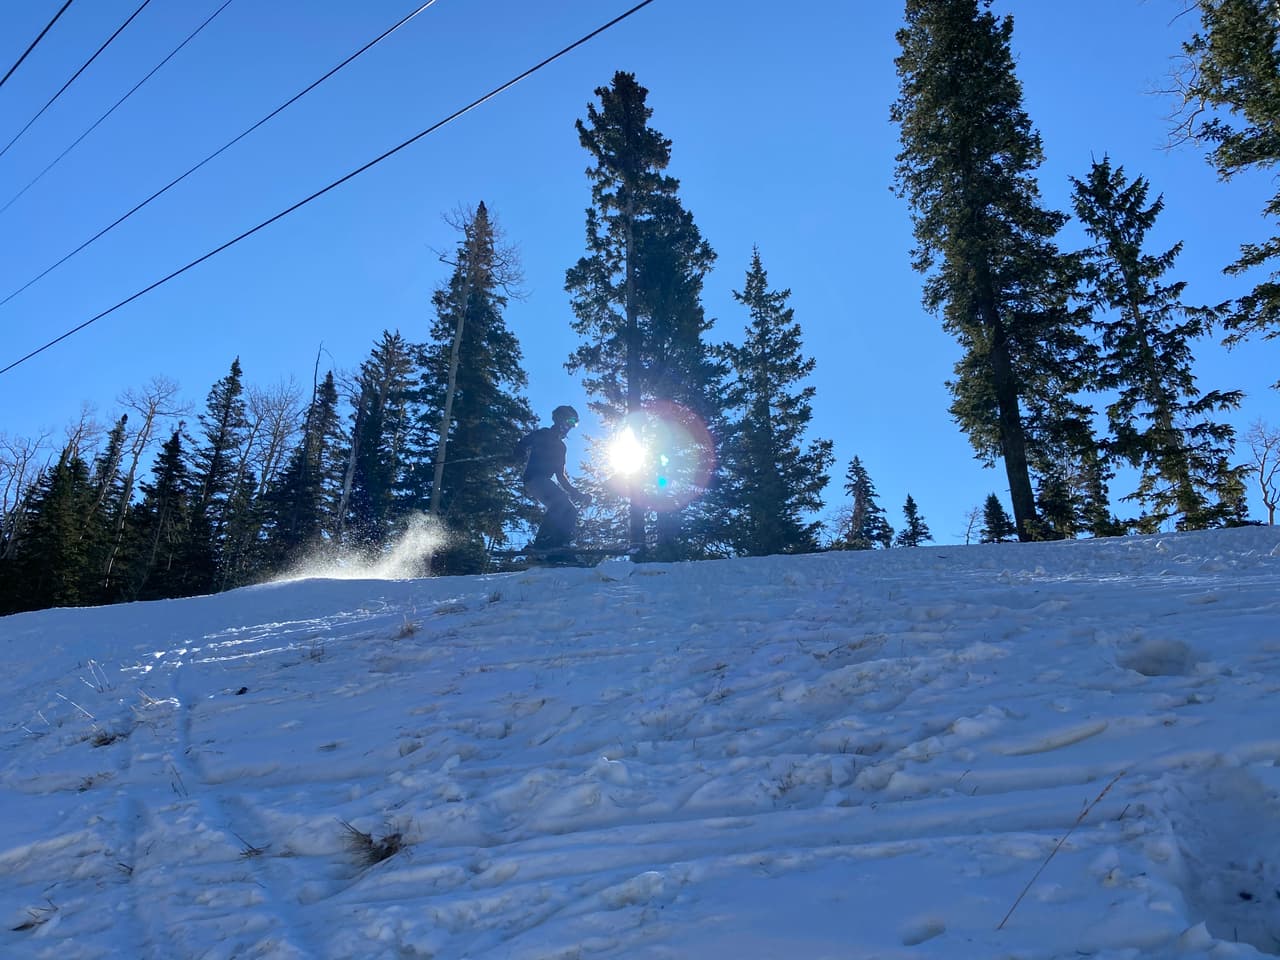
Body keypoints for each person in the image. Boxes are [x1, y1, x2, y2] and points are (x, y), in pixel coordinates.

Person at [515, 405, 591, 551]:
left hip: (544, 481)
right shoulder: (544, 433)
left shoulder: (561, 447)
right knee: (559, 502)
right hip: (534, 478)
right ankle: (542, 543)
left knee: (570, 510)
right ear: (560, 418)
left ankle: (560, 545)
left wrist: (576, 493)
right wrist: (519, 450)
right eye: (570, 420)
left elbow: (560, 475)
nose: (571, 426)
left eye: (575, 423)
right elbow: (525, 442)